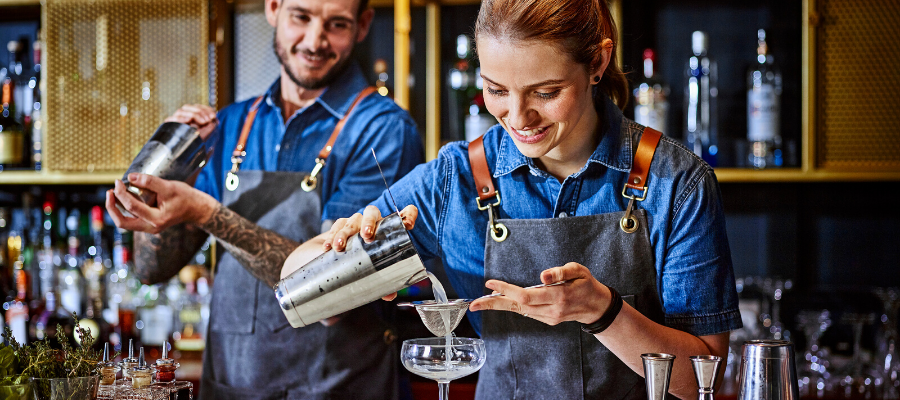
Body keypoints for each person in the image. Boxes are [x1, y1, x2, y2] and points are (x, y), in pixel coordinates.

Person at [283, 0, 742, 398]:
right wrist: (342, 251)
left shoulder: (676, 182)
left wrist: (603, 311)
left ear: (598, 63)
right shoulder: (455, 178)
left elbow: (704, 379)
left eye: (546, 92)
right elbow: (295, 282)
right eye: (496, 90)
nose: (518, 117)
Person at [105, 0, 424, 398]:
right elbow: (151, 268)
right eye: (301, 17)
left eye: (336, 24)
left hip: (340, 387)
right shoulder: (233, 124)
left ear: (362, 25)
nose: (314, 41)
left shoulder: (383, 131)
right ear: (273, 8)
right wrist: (166, 166)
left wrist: (205, 210)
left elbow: (335, 290)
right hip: (232, 387)